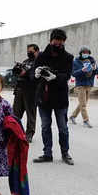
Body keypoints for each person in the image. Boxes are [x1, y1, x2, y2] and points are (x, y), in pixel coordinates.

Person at [33, 29, 74, 165]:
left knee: (63, 127)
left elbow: (67, 75)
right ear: (51, 40)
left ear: (64, 41)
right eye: (56, 40)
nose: (58, 43)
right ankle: (47, 153)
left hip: (60, 98)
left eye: (61, 40)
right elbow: (33, 74)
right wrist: (36, 74)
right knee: (45, 126)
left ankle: (65, 153)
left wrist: (56, 77)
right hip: (43, 97)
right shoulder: (41, 56)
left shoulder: (68, 57)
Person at [12, 44, 40, 143]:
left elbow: (36, 77)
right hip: (20, 89)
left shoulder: (39, 62)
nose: (29, 53)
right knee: (15, 113)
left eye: (31, 51)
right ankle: (15, 131)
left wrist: (26, 73)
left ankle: (29, 134)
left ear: (36, 51)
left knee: (30, 114)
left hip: (31, 91)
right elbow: (18, 75)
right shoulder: (25, 61)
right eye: (28, 51)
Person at [69, 46, 98, 128]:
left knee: (83, 103)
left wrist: (94, 68)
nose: (86, 54)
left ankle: (72, 116)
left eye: (87, 52)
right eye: (84, 52)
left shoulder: (92, 60)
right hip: (80, 85)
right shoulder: (76, 62)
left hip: (89, 85)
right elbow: (73, 73)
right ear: (81, 53)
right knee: (83, 105)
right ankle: (86, 120)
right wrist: (82, 70)